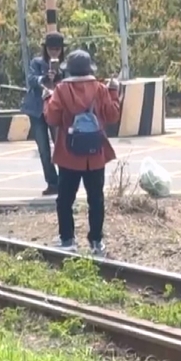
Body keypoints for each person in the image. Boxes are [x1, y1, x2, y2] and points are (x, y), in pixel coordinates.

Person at [44, 50, 122, 255]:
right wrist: (114, 92)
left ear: (69, 69)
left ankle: (68, 239)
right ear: (89, 69)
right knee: (96, 199)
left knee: (65, 200)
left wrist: (47, 100)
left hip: (69, 155)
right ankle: (96, 241)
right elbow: (113, 115)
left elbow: (52, 118)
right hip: (95, 155)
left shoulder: (61, 90)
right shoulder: (100, 89)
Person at [21, 32, 66, 195]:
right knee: (44, 149)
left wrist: (59, 77)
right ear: (45, 49)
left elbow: (69, 85)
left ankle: (64, 181)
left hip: (56, 110)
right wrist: (44, 78)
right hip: (37, 111)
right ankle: (52, 182)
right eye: (50, 49)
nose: (54, 52)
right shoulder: (37, 63)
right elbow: (31, 80)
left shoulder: (65, 66)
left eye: (57, 49)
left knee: (60, 147)